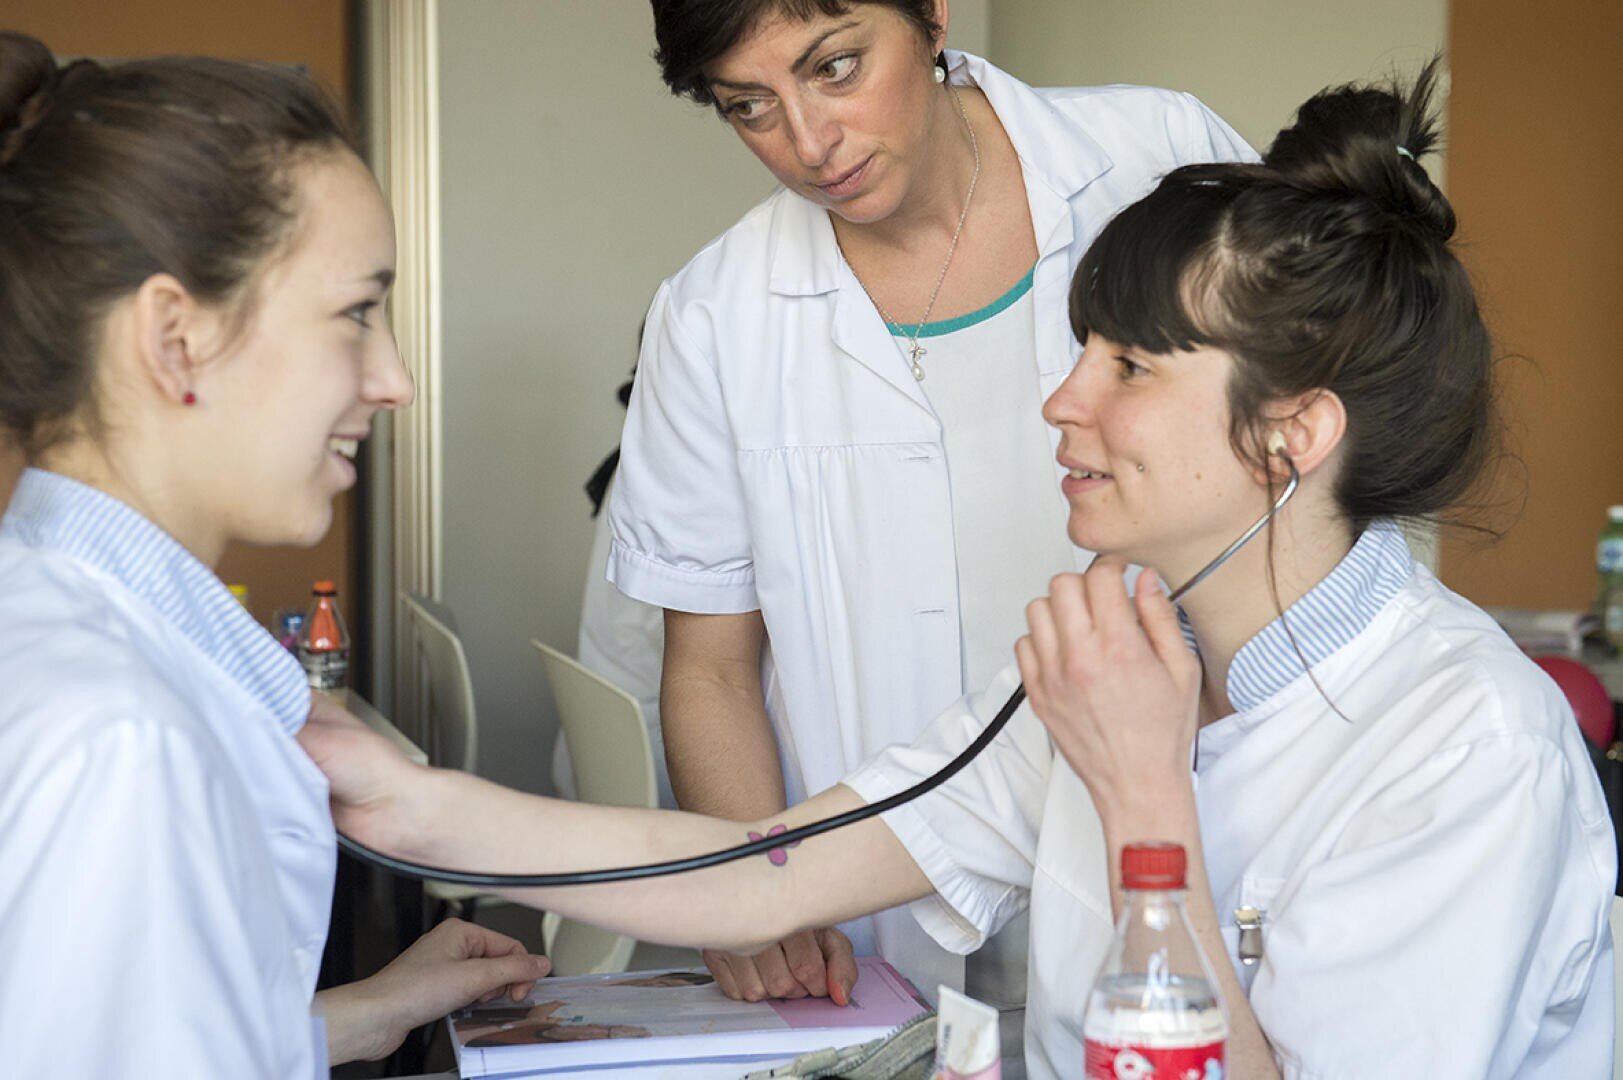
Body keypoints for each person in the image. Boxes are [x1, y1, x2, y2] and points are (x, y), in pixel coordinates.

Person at [302, 66, 1615, 1077]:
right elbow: (774, 868)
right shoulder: (1120, 647)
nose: (1060, 400)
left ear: (1293, 433)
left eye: (1127, 365)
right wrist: (414, 807)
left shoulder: (1462, 747)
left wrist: (1142, 799)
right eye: (1080, 348)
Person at [610, 0, 1253, 1007]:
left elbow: (1303, 470)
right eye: (749, 107)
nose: (809, 143)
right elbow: (711, 668)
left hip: (1187, 838)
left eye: (835, 67)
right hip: (875, 904)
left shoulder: (1155, 156)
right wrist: (754, 885)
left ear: (933, 14)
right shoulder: (713, 316)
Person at [0, 33, 549, 1076]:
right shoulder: (119, 738)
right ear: (177, 338)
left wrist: (367, 1011)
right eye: (357, 313)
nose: (394, 381)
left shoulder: (51, 618)